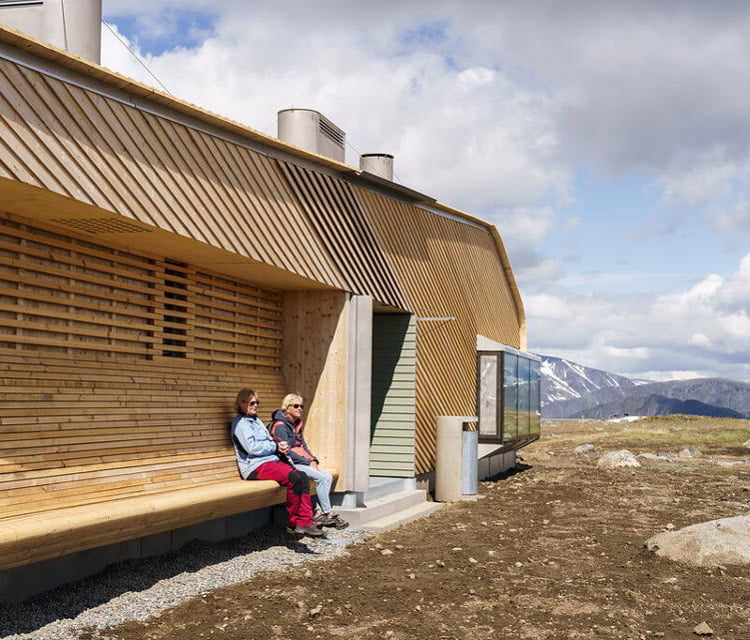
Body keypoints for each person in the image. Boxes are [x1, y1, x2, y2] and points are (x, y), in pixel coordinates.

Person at [230, 388, 324, 538]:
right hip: (254, 466)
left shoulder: (256, 420)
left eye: (257, 403)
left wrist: (277, 446)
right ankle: (294, 523)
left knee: (301, 476)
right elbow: (252, 448)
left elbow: (268, 441)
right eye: (252, 403)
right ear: (241, 403)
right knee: (294, 478)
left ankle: (306, 521)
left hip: (269, 461)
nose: (255, 406)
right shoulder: (241, 424)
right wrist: (275, 446)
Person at [270, 393, 349, 529]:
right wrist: (307, 463)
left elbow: (303, 446)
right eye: (296, 406)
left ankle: (319, 511)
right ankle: (326, 513)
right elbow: (286, 452)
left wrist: (313, 460)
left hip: (300, 462)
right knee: (322, 478)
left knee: (326, 476)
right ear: (286, 408)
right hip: (288, 464)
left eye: (301, 406)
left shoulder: (296, 425)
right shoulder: (280, 426)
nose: (300, 408)